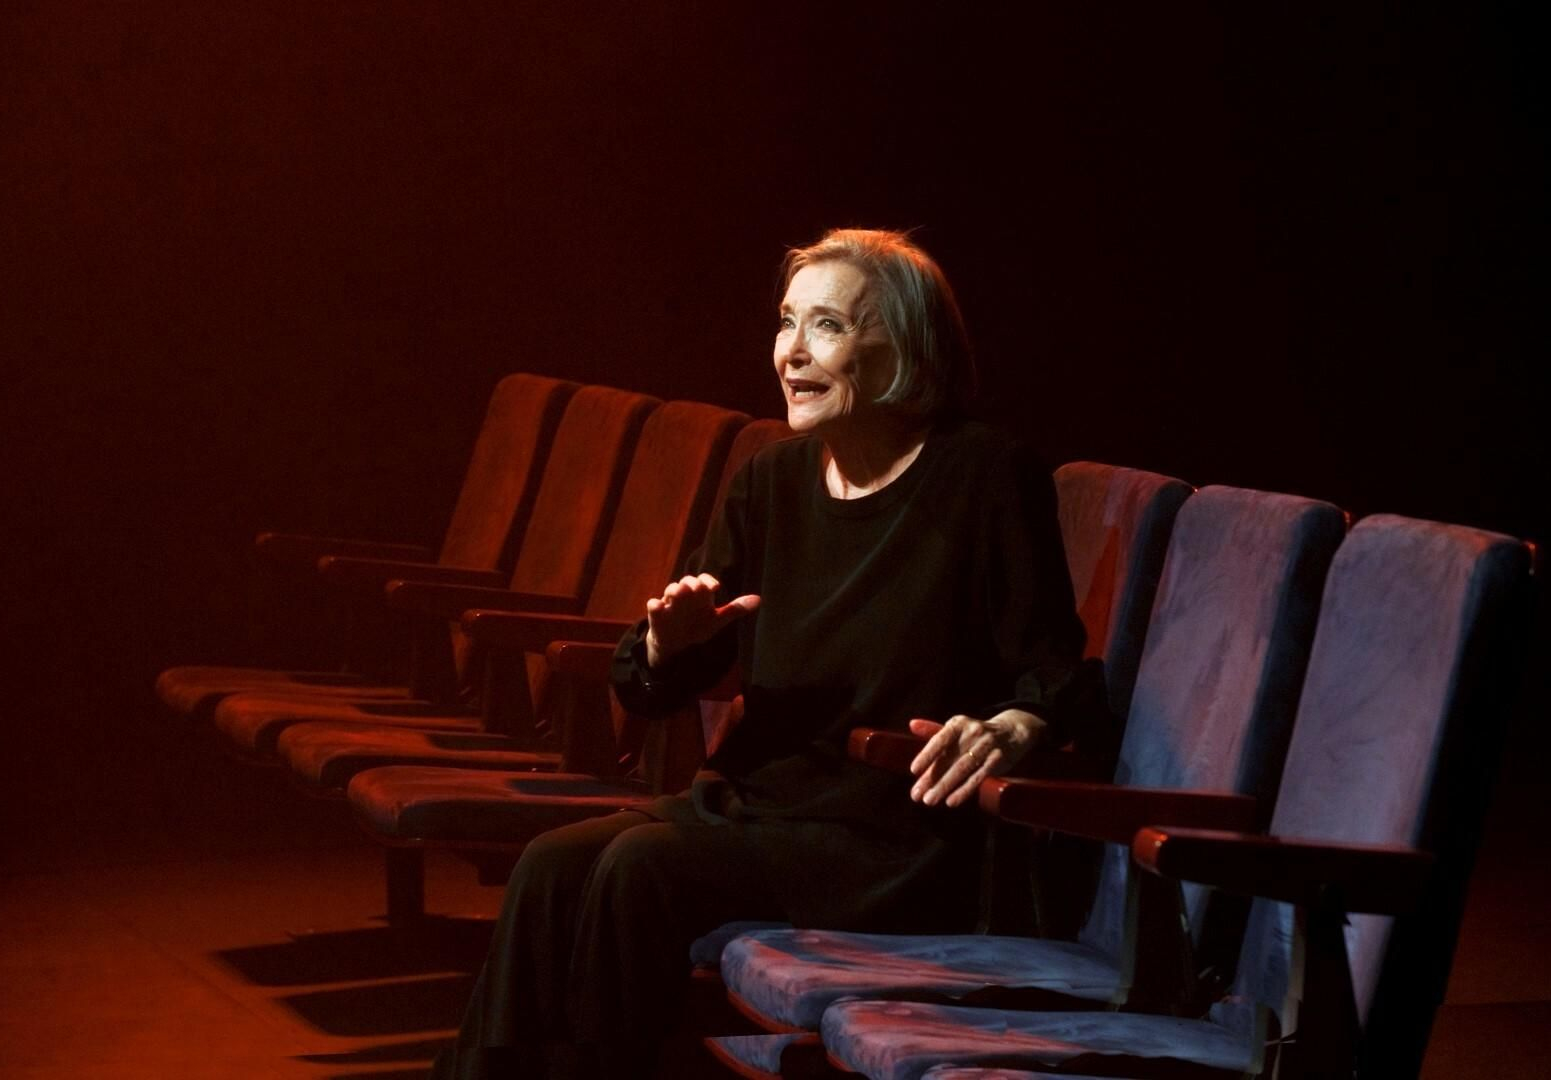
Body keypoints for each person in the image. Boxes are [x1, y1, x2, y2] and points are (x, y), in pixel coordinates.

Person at [431, 228, 1107, 1079]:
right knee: (549, 863)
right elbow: (648, 689)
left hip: (891, 837)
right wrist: (663, 644)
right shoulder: (772, 482)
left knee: (642, 868)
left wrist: (1017, 721)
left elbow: (1056, 669)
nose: (791, 351)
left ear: (905, 348)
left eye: (826, 326)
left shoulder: (986, 477)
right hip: (759, 807)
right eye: (787, 323)